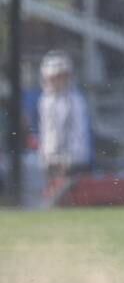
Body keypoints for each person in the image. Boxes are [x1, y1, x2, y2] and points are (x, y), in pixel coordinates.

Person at [37, 50, 93, 198]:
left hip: (73, 161)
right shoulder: (45, 100)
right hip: (52, 159)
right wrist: (47, 155)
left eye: (61, 77)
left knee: (70, 198)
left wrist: (69, 158)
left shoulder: (75, 100)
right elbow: (47, 131)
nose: (58, 81)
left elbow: (77, 132)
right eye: (54, 78)